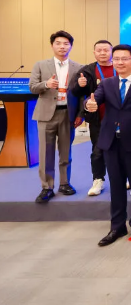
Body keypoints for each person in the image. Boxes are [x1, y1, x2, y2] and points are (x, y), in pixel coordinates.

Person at [86, 44, 131, 246]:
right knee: (116, 186)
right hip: (111, 142)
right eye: (116, 59)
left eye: (124, 58)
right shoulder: (107, 83)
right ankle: (117, 226)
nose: (119, 62)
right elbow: (94, 100)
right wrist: (89, 104)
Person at [29, 30, 83, 203]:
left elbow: (82, 94)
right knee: (46, 152)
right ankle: (47, 187)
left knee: (66, 152)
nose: (62, 47)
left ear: (71, 46)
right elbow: (32, 87)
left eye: (66, 44)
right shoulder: (40, 65)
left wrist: (80, 115)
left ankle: (65, 183)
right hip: (46, 114)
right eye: (58, 43)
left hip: (68, 113)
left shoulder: (78, 67)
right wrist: (46, 84)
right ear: (52, 45)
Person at [70, 39, 114, 196]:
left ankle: (125, 178)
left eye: (106, 50)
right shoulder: (87, 71)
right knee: (97, 151)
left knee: (123, 150)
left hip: (120, 118)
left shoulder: (120, 67)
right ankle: (98, 179)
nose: (102, 53)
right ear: (94, 52)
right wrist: (79, 85)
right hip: (98, 117)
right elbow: (75, 93)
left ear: (112, 52)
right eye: (99, 50)